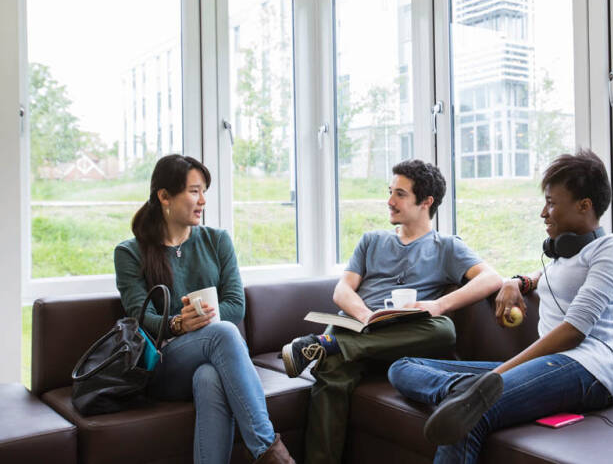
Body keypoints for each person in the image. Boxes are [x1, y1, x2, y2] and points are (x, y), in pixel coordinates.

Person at [387, 150, 613, 464]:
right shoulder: (565, 255)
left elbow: (574, 332)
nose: (544, 213)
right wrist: (516, 282)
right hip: (549, 366)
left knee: (471, 414)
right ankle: (467, 392)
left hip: (587, 370)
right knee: (402, 367)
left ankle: (470, 396)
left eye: (552, 203)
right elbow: (545, 276)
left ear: (584, 205)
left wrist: (498, 375)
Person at [279, 159, 506, 464]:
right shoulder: (371, 241)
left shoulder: (446, 247)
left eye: (400, 194)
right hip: (358, 327)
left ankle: (325, 347)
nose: (389, 201)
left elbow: (491, 278)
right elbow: (342, 290)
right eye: (390, 192)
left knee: (444, 329)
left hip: (405, 339)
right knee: (330, 372)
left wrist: (438, 305)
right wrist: (363, 315)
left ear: (426, 202)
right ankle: (333, 348)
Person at [115, 154, 294, 464]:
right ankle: (271, 453)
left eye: (204, 191)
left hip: (213, 357)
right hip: (166, 365)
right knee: (223, 332)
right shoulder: (130, 252)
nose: (203, 201)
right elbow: (139, 317)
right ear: (165, 196)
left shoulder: (217, 241)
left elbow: (236, 305)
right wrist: (177, 325)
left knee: (210, 377)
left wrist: (199, 323)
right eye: (194, 191)